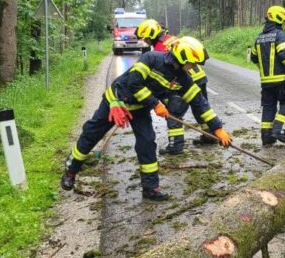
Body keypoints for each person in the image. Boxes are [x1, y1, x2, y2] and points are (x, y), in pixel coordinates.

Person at [60, 39, 232, 201]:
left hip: (139, 109)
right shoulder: (150, 59)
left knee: (147, 142)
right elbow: (134, 84)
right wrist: (155, 103)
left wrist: (217, 129)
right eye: (192, 63)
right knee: (91, 134)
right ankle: (71, 170)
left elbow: (199, 102)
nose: (193, 67)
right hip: (116, 101)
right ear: (182, 58)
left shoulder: (183, 79)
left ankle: (150, 188)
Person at [158, 37, 216, 154]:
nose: (144, 40)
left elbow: (166, 71)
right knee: (200, 109)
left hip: (185, 81)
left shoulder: (161, 48)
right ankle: (209, 135)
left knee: (175, 114)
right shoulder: (176, 40)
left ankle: (175, 146)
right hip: (200, 78)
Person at [251, 6, 285, 145]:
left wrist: (264, 69)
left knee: (269, 107)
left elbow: (254, 57)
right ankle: (279, 130)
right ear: (279, 19)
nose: (284, 23)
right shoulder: (279, 35)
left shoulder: (259, 38)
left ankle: (266, 136)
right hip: (281, 80)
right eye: (283, 20)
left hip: (265, 82)